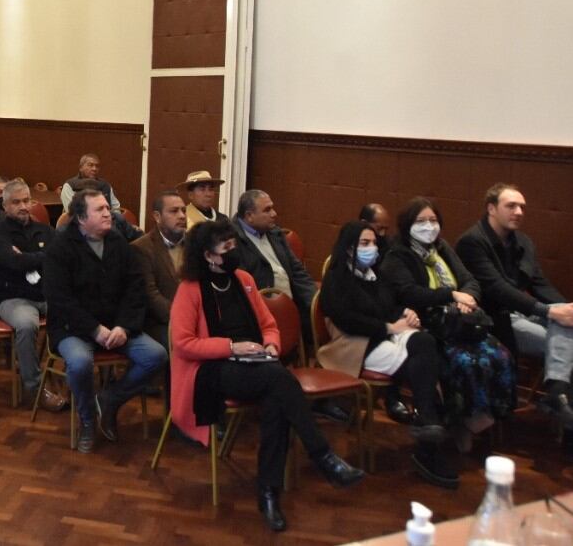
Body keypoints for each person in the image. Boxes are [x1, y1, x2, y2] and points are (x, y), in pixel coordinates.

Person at [169, 219, 364, 532]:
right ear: (209, 256)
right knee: (278, 380)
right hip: (212, 369)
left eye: (234, 245)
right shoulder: (190, 289)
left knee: (277, 397)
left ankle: (269, 492)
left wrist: (270, 346)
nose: (234, 252)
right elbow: (183, 343)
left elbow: (268, 326)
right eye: (227, 248)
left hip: (256, 363)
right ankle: (324, 457)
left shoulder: (243, 280)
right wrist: (232, 346)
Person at [319, 221, 457, 488]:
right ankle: (430, 436)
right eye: (365, 243)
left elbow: (388, 305)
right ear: (349, 249)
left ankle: (427, 426)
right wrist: (389, 326)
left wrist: (405, 313)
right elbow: (346, 319)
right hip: (356, 345)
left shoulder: (375, 274)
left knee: (425, 342)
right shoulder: (337, 278)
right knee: (421, 367)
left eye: (373, 243)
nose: (372, 248)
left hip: (382, 336)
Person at [380, 197, 515, 451]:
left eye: (433, 221)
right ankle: (459, 422)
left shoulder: (441, 249)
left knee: (499, 355)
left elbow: (470, 280)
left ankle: (486, 416)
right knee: (463, 361)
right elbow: (410, 293)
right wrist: (451, 295)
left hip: (460, 319)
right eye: (421, 221)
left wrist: (468, 298)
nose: (428, 226)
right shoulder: (397, 255)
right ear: (407, 224)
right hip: (428, 324)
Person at [43, 189, 168, 454]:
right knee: (78, 363)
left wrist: (123, 326)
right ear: (80, 217)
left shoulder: (118, 243)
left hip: (116, 326)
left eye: (106, 207)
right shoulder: (60, 248)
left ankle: (109, 399)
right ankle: (88, 420)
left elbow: (135, 290)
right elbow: (60, 299)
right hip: (74, 329)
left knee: (156, 355)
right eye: (99, 209)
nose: (107, 212)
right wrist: (94, 329)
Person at [456, 183, 573, 427]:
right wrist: (550, 311)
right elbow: (498, 289)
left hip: (525, 311)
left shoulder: (523, 242)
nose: (519, 211)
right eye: (511, 206)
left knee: (568, 322)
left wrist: (566, 308)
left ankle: (557, 393)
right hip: (494, 319)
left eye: (522, 207)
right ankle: (559, 397)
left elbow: (540, 283)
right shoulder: (472, 242)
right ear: (491, 208)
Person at [0, 181, 67, 411]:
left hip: (46, 294)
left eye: (26, 201)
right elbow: (13, 262)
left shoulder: (45, 230)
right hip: (14, 298)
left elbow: (59, 260)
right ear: (5, 206)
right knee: (26, 325)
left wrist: (29, 258)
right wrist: (42, 257)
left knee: (74, 315)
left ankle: (72, 377)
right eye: (16, 202)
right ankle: (34, 387)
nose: (23, 206)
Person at [230, 190, 318, 349]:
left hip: (291, 304)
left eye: (272, 208)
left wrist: (315, 302)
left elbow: (297, 271)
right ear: (249, 216)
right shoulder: (231, 239)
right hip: (259, 312)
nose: (274, 214)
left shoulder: (275, 233)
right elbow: (241, 286)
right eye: (267, 210)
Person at [130, 190, 188, 339]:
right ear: (157, 216)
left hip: (194, 319)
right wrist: (183, 318)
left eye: (183, 210)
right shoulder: (141, 248)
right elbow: (151, 296)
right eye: (174, 211)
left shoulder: (195, 244)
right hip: (159, 323)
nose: (182, 216)